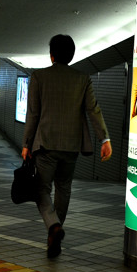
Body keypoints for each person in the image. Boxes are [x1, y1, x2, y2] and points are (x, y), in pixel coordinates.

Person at [21, 34, 111, 258]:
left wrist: (26, 144)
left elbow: (33, 114)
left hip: (46, 144)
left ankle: (53, 226)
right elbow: (93, 109)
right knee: (64, 188)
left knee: (41, 188)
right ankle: (55, 232)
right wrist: (105, 139)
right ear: (71, 55)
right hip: (71, 145)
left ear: (52, 55)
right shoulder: (83, 79)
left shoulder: (39, 77)